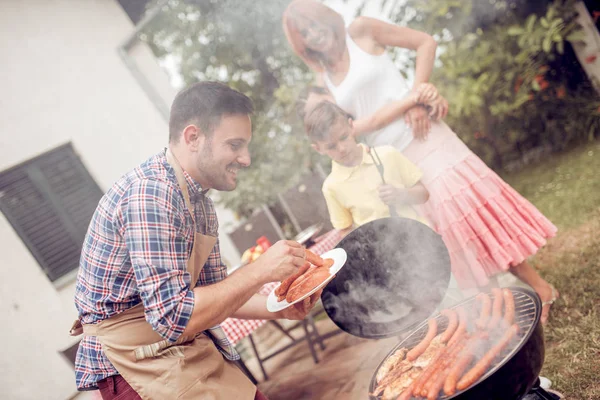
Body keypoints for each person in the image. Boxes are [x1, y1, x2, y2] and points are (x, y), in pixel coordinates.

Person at [283, 0, 559, 323]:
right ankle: (500, 310)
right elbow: (350, 129)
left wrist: (419, 96)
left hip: (426, 137)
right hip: (389, 163)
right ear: (301, 43)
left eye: (316, 24)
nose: (316, 34)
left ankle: (542, 289)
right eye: (306, 33)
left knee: (467, 216)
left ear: (328, 18)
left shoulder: (361, 31)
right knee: (448, 237)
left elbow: (425, 42)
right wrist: (409, 101)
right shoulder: (322, 84)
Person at [70, 82, 319, 400]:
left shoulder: (200, 203)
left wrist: (281, 307)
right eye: (234, 145)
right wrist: (261, 270)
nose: (246, 159)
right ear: (193, 137)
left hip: (181, 350)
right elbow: (173, 316)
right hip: (134, 369)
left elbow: (220, 293)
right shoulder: (152, 194)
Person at [304, 100, 432, 235]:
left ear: (351, 126)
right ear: (318, 149)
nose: (341, 148)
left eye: (344, 137)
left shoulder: (387, 154)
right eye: (331, 146)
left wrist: (402, 194)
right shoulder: (331, 187)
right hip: (382, 251)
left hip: (418, 237)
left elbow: (424, 194)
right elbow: (344, 230)